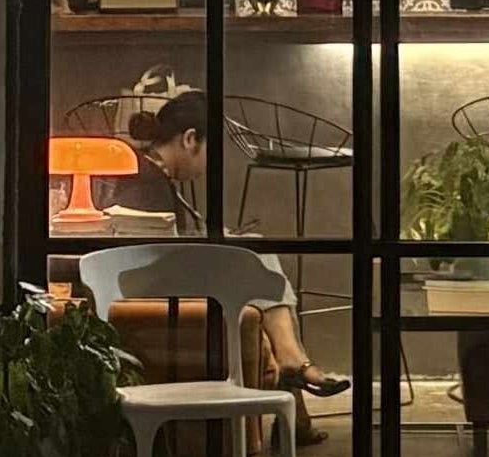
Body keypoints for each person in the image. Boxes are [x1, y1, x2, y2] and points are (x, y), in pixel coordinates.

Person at [130, 93, 353, 410]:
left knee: (256, 251)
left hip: (162, 275)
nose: (209, 167)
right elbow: (161, 247)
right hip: (156, 283)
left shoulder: (152, 175)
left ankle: (293, 369)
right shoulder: (149, 182)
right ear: (191, 139)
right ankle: (293, 363)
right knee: (257, 254)